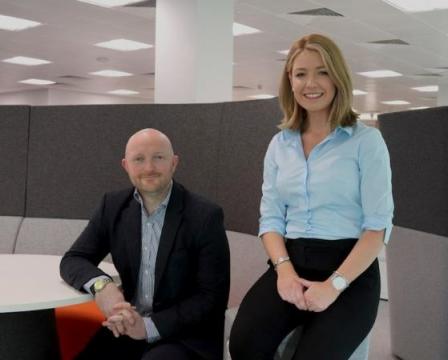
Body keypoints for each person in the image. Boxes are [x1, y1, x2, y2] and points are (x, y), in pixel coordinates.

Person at [229, 34, 394, 360]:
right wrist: (284, 271)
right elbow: (271, 218)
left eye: (322, 72)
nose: (311, 83)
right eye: (300, 73)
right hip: (292, 260)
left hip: (350, 271)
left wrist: (333, 286)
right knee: (243, 345)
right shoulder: (280, 144)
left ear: (338, 77)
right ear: (289, 80)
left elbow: (377, 228)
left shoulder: (366, 142)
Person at [60, 128, 230, 360]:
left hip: (185, 335)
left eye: (158, 158)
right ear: (125, 165)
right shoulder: (112, 206)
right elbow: (74, 259)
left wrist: (149, 327)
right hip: (128, 325)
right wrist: (103, 287)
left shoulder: (205, 215)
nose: (149, 168)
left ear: (174, 162)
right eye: (139, 159)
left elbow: (212, 297)